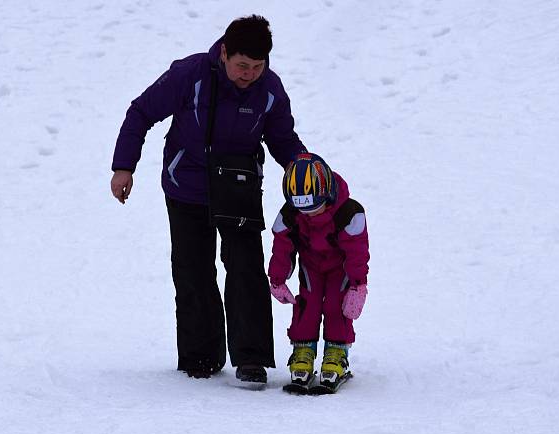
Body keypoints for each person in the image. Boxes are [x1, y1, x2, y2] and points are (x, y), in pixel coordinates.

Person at [110, 15, 306, 383]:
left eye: (257, 67)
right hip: (187, 187)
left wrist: (304, 168)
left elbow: (283, 139)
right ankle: (201, 358)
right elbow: (141, 111)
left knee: (246, 268)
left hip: (238, 188)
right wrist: (124, 166)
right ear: (224, 52)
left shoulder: (270, 90)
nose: (248, 74)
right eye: (241, 66)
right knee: (193, 271)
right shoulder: (191, 74)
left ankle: (251, 358)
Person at [267, 153, 370, 388]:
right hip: (310, 266)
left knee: (336, 305)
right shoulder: (291, 214)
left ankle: (336, 353)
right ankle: (303, 351)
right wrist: (277, 279)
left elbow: (357, 251)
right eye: (303, 209)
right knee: (307, 305)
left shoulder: (348, 213)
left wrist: (358, 285)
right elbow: (282, 245)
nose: (309, 213)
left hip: (340, 269)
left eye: (315, 207)